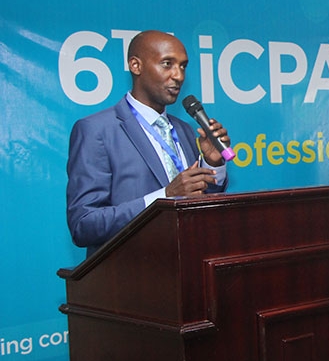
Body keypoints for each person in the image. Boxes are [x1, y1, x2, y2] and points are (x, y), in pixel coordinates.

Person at [67, 30, 231, 257]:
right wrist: (164, 197)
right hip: (131, 277)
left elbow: (202, 202)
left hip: (190, 266)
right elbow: (83, 225)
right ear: (136, 66)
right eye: (167, 64)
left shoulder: (183, 129)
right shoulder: (96, 130)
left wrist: (213, 164)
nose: (179, 76)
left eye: (183, 66)